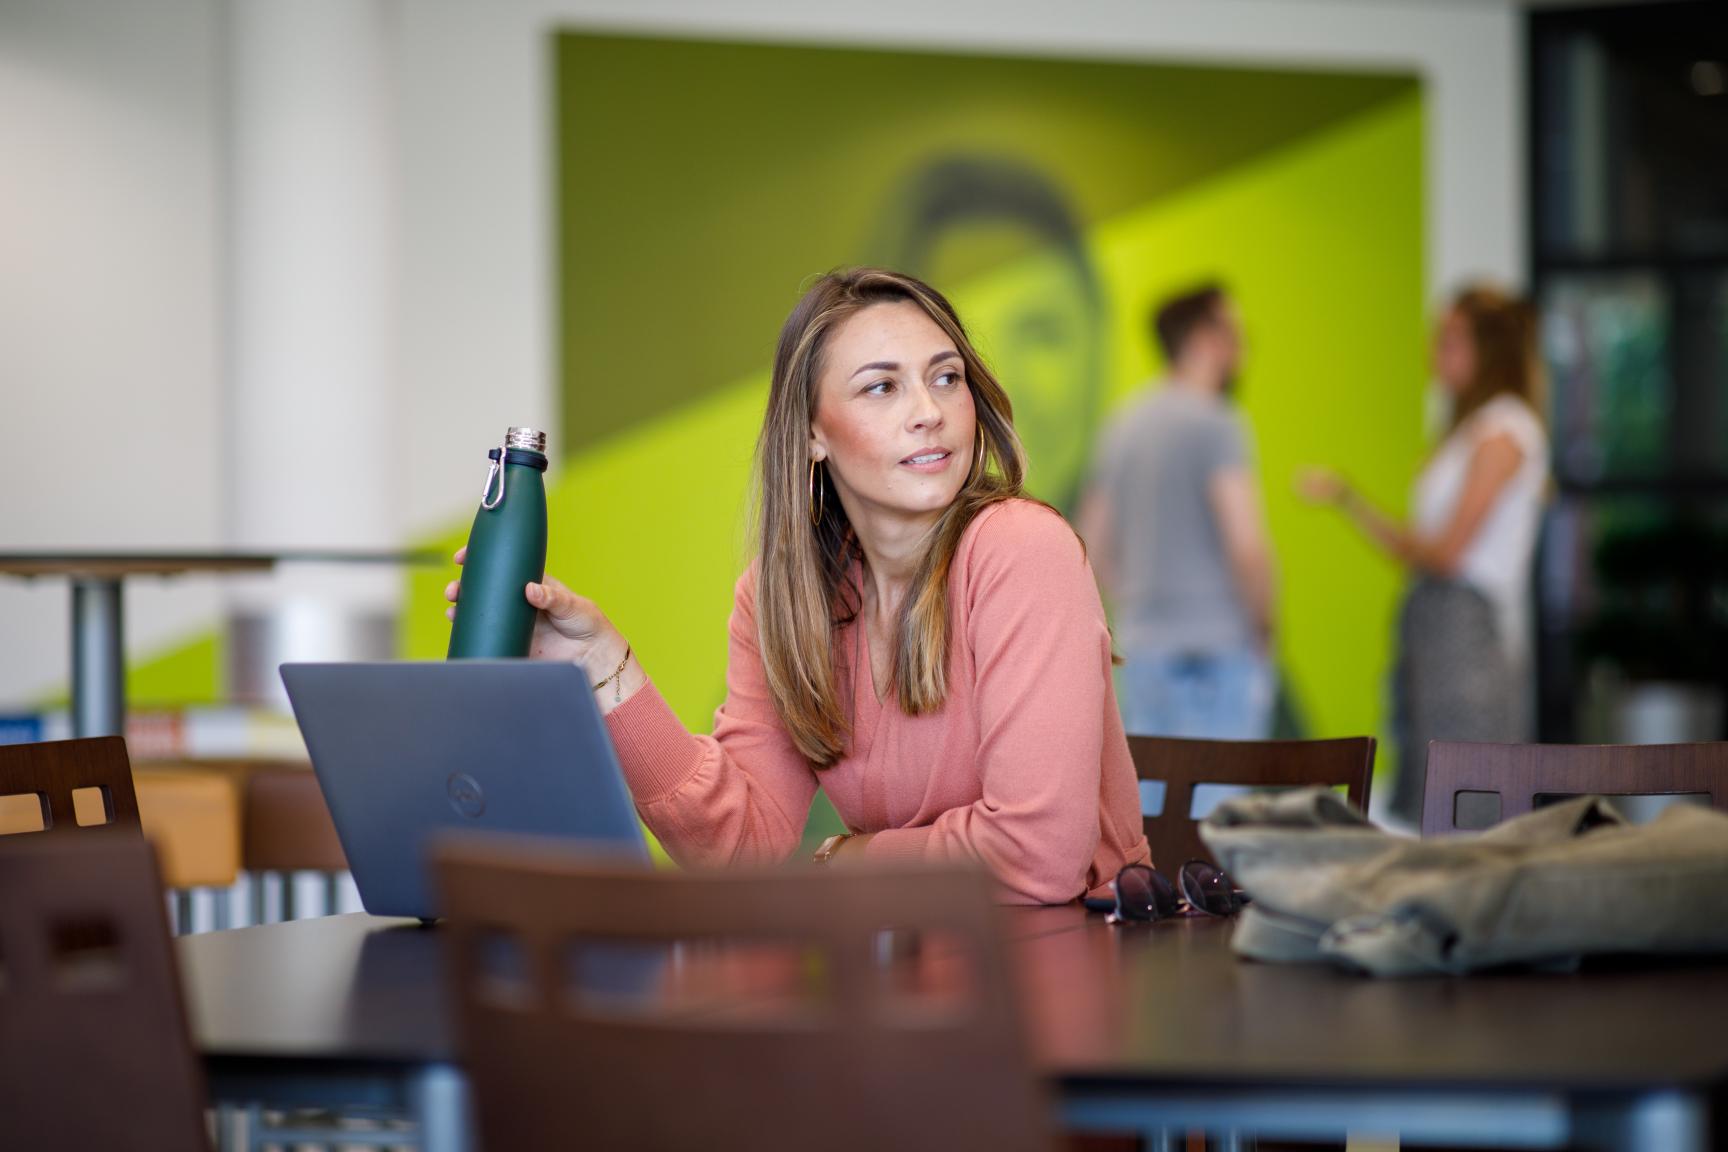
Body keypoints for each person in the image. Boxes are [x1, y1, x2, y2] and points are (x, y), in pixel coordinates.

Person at [446, 267, 1151, 902]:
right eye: (882, 386)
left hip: (1065, 965)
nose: (929, 411)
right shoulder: (785, 597)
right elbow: (738, 852)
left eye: (946, 377)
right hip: (906, 972)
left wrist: (850, 859)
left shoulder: (1021, 548)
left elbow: (1037, 858)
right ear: (814, 432)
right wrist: (600, 664)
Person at [1300, 284, 1548, 825]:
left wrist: (1352, 501)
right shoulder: (1470, 429)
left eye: (1451, 338)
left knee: (1469, 802)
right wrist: (1350, 501)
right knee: (1436, 800)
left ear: (1490, 348)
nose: (1436, 350)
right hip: (1436, 630)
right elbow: (1427, 549)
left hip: (1466, 640)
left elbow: (1446, 552)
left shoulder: (1504, 431)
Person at [1080, 283, 1276, 740]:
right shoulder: (1217, 420)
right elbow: (1246, 546)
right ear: (1206, 338)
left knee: (1151, 804)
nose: (1243, 345)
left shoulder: (1123, 424)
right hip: (1216, 647)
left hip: (1143, 647)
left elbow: (1089, 541)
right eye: (1236, 330)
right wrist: (1265, 629)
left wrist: (1137, 597)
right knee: (1217, 807)